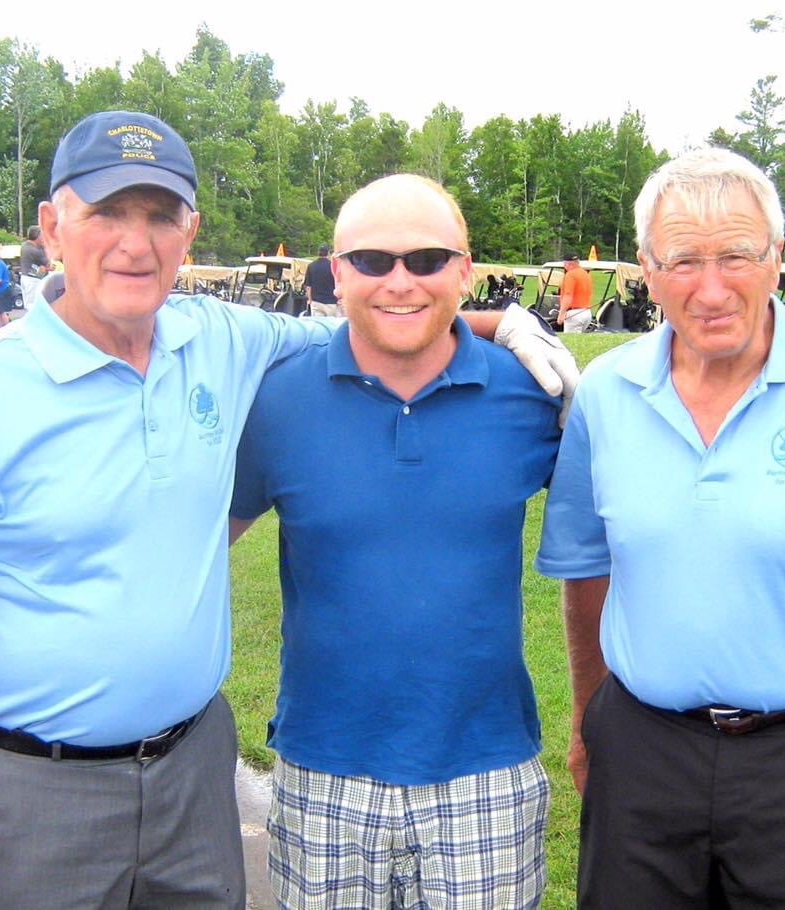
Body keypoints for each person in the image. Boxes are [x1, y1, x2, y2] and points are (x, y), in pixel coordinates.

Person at [0, 111, 577, 909]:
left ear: (189, 232)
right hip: (26, 788)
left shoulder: (221, 338)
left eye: (160, 216)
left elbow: (385, 320)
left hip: (192, 777)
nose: (134, 243)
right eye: (107, 212)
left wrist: (503, 324)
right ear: (51, 227)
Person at [536, 147, 785, 908]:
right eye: (683, 261)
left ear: (776, 258)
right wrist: (589, 718)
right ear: (648, 271)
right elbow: (587, 569)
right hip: (643, 755)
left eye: (737, 257)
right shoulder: (607, 393)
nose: (711, 290)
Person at [230, 174, 562, 910]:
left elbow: (617, 541)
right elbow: (192, 548)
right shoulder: (278, 398)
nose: (401, 281)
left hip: (487, 771)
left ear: (465, 270)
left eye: (428, 259)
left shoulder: (531, 394)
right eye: (374, 260)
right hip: (322, 773)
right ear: (338, 272)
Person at [556, 252, 592, 333]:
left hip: (574, 314)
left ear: (567, 264)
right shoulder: (585, 274)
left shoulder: (570, 275)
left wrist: (561, 314)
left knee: (570, 340)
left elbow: (568, 295)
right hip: (586, 312)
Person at [19, 225, 52, 309]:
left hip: (26, 277)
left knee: (28, 304)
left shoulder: (25, 245)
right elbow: (49, 265)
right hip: (33, 280)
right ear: (38, 236)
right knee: (33, 306)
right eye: (42, 235)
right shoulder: (35, 250)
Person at [304, 243, 339, 317]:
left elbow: (308, 286)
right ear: (328, 253)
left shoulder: (311, 266)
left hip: (316, 302)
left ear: (318, 253)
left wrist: (310, 300)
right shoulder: (332, 266)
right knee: (331, 323)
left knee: (318, 323)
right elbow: (337, 283)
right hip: (331, 302)